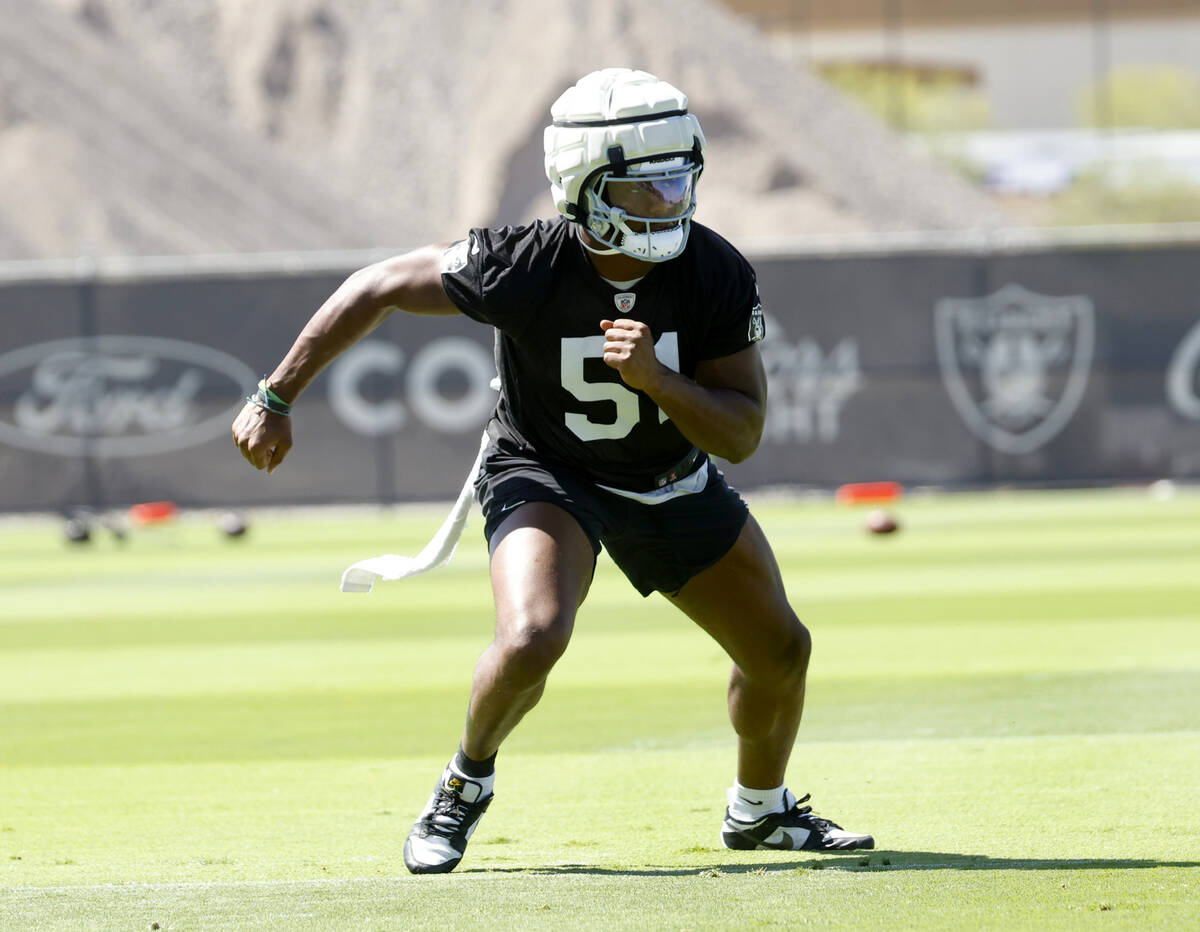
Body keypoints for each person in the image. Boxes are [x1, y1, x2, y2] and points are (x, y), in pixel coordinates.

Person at [233, 67, 874, 874]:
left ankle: (760, 812)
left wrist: (660, 382)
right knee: (534, 634)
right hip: (546, 469)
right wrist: (275, 394)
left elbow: (742, 433)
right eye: (645, 190)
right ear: (584, 188)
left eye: (679, 183)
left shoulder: (713, 270)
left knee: (781, 652)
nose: (669, 204)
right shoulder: (525, 263)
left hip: (668, 477)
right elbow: (378, 287)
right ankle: (463, 783)